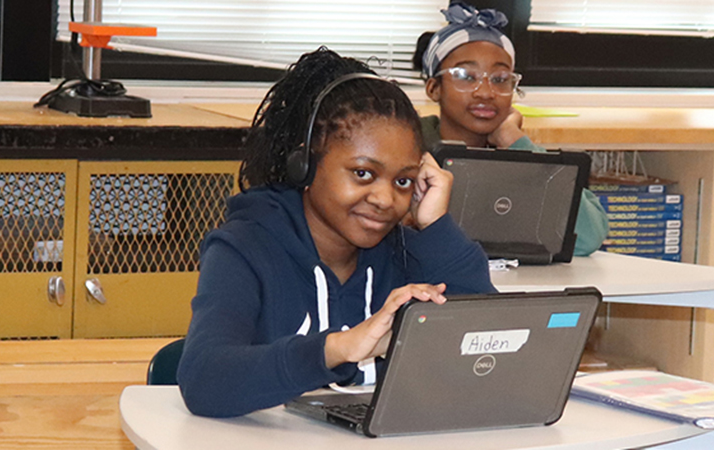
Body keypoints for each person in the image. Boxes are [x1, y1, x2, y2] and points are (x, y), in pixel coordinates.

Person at [176, 48, 496, 418]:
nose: (384, 198)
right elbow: (204, 379)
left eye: (404, 180)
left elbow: (486, 349)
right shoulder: (245, 248)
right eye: (363, 173)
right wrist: (339, 348)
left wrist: (435, 227)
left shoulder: (404, 253)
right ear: (306, 164)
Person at [415, 2, 609, 256]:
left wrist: (514, 140)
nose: (485, 92)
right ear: (433, 88)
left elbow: (588, 237)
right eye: (466, 76)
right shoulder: (410, 150)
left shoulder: (521, 157)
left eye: (500, 79)